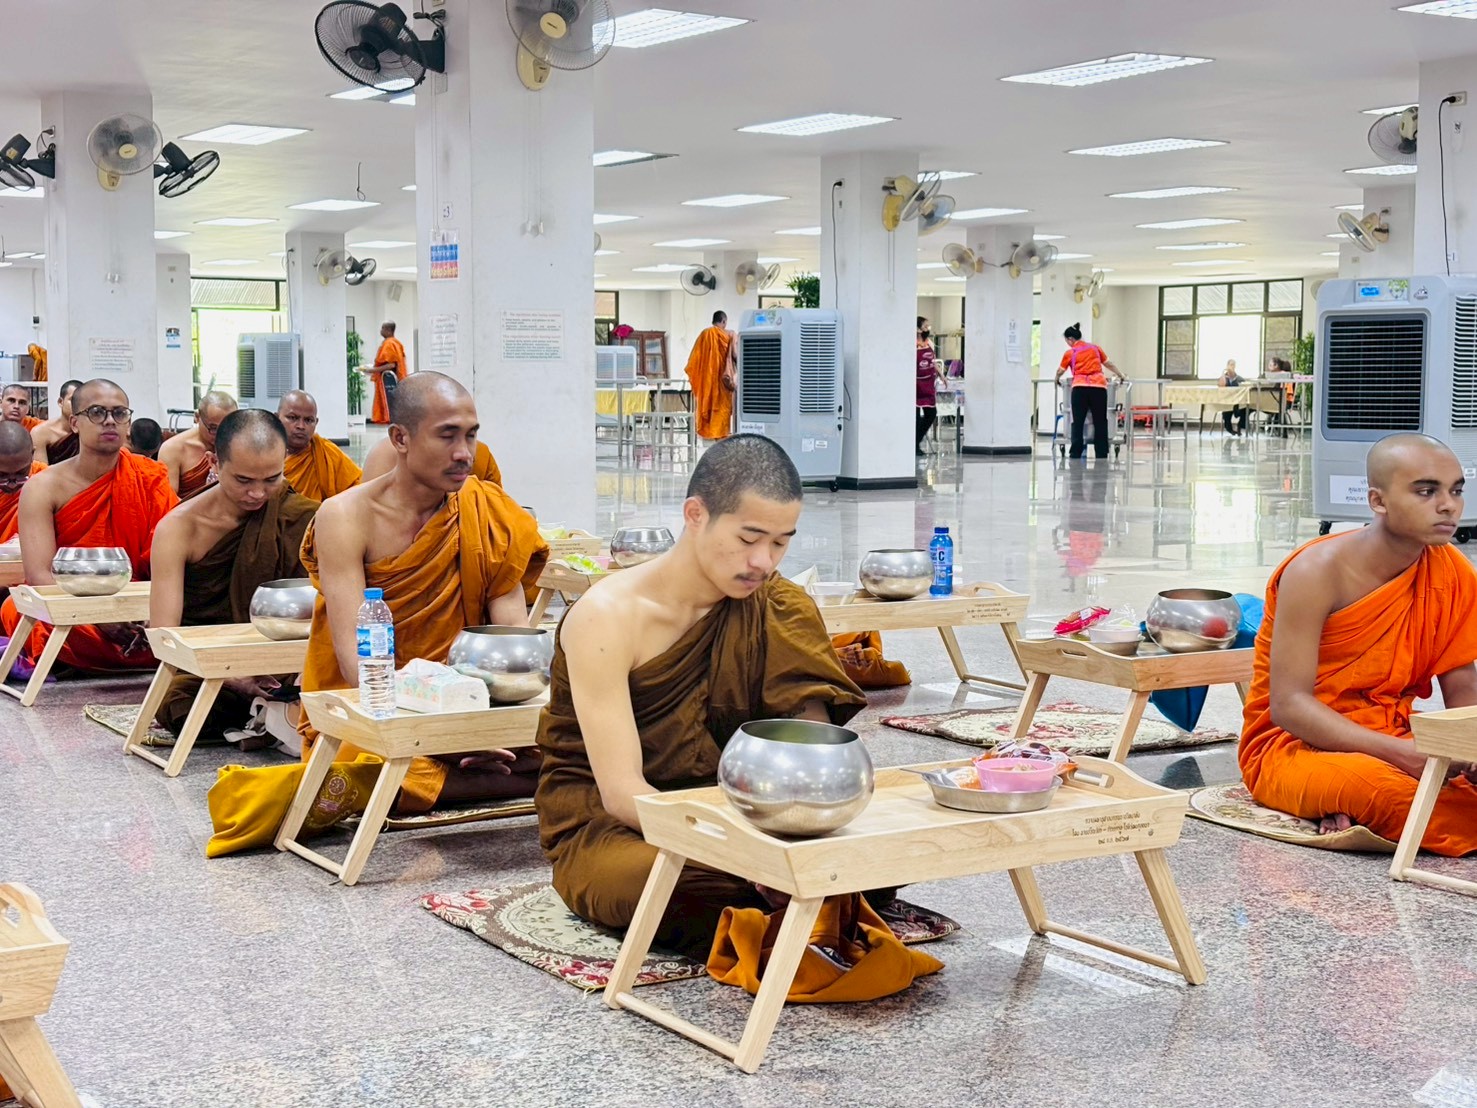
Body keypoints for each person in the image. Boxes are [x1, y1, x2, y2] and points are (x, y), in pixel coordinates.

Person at [536, 434, 875, 958]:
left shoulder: (780, 606)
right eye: (748, 538)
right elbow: (623, 794)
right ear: (696, 514)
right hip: (618, 826)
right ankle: (789, 906)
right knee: (662, 886)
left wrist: (794, 837)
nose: (762, 561)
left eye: (780, 543)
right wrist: (741, 854)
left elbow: (812, 761)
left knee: (873, 861)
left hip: (747, 814)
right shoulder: (607, 617)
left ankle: (786, 901)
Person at [292, 371, 547, 812]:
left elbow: (515, 654)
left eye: (471, 435)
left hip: (473, 703)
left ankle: (484, 776)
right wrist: (443, 737)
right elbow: (358, 667)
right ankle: (521, 781)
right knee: (365, 766)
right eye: (447, 436)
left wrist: (490, 727)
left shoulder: (486, 511)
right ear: (400, 438)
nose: (464, 453)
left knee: (582, 739)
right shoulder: (345, 517)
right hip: (383, 707)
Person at [1240, 433, 1477, 854]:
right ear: (1377, 501)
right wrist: (1402, 755)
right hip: (1293, 747)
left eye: (1455, 490)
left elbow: (1463, 689)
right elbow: (1289, 706)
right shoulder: (1316, 571)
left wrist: (1469, 749)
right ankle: (1341, 795)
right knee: (1388, 794)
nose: (1448, 506)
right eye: (1426, 491)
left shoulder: (1453, 572)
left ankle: (1345, 803)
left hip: (1394, 733)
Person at [148, 409, 318, 740]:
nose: (258, 493)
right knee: (177, 705)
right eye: (243, 480)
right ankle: (278, 716)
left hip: (285, 658)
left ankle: (279, 711)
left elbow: (324, 610)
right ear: (213, 462)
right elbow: (165, 637)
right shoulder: (179, 528)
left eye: (271, 479)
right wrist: (232, 675)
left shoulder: (303, 516)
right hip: (211, 664)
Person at [4, 379, 178, 672]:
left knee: (180, 616)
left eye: (119, 413)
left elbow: (169, 564)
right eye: (97, 413)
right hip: (75, 606)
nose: (110, 421)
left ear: (128, 423)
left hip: (136, 601)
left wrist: (148, 612)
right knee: (19, 611)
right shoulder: (43, 487)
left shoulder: (149, 477)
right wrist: (99, 617)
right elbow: (40, 576)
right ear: (74, 423)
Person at [276, 390, 361, 502]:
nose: (301, 426)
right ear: (277, 418)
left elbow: (359, 491)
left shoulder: (327, 454)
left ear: (316, 422)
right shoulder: (263, 453)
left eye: (308, 420)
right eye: (293, 418)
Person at [1055, 324, 1123, 461]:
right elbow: (1109, 363)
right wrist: (1120, 375)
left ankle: (1075, 452)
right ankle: (1102, 452)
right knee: (1100, 421)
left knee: (1078, 421)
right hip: (1098, 388)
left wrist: (1056, 379)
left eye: (1067, 341)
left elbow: (1060, 370)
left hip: (1080, 388)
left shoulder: (1070, 353)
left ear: (1070, 339)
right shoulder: (1095, 348)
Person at [160, 390, 237, 500]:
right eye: (213, 428)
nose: (221, 434)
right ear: (197, 417)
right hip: (188, 509)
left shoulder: (238, 444)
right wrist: (203, 508)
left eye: (228, 427)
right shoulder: (173, 449)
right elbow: (168, 499)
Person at [361, 431, 501, 486]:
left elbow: (499, 514)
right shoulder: (384, 455)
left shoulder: (480, 454)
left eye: (470, 434)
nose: (464, 453)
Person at [684, 310, 736, 445]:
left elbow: (693, 362)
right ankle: (721, 440)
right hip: (723, 384)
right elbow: (736, 355)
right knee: (721, 412)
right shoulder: (729, 335)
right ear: (723, 321)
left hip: (707, 384)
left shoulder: (704, 335)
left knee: (710, 409)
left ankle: (715, 440)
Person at [0, 421, 43, 543]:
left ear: (32, 455)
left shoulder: (46, 480)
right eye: (2, 475)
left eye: (21, 473)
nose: (12, 485)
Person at [31, 379, 81, 465]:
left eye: (81, 401)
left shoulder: (88, 430)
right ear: (60, 402)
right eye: (72, 400)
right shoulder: (40, 432)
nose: (77, 404)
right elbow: (41, 470)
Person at [915, 316, 946, 456]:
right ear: (918, 329)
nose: (928, 328)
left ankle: (916, 439)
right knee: (915, 418)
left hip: (928, 385)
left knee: (931, 414)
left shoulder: (929, 343)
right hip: (915, 385)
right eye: (925, 326)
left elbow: (933, 362)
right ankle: (914, 446)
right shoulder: (911, 344)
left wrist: (942, 375)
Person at [369, 321, 408, 426]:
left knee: (388, 404)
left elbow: (391, 365)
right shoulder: (396, 343)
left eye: (382, 328)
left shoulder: (389, 344)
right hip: (394, 380)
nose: (381, 331)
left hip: (388, 381)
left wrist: (372, 370)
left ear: (389, 330)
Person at [1218, 359, 1248, 437]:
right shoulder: (1223, 378)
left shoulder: (1239, 378)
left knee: (1246, 408)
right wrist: (1223, 374)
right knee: (1227, 409)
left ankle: (1240, 425)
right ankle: (1229, 428)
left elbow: (1244, 388)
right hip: (1227, 401)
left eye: (1233, 365)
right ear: (1227, 366)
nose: (1232, 367)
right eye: (1231, 365)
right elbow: (1221, 387)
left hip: (1238, 401)